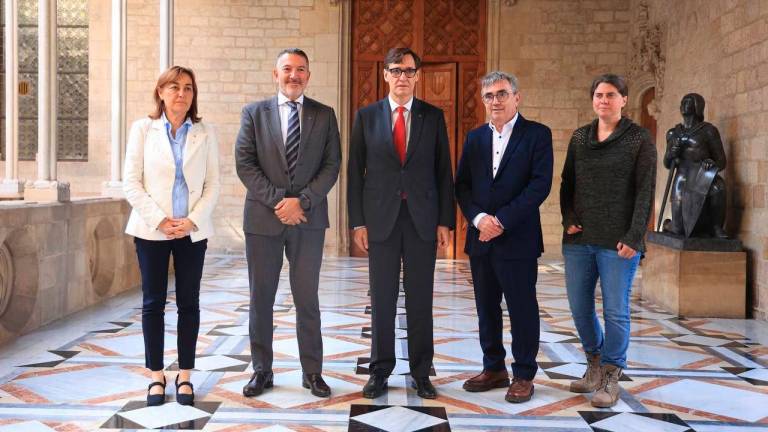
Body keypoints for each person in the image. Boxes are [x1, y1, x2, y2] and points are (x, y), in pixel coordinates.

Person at [347, 47, 455, 399]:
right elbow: (354, 174)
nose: (403, 77)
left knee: (421, 299)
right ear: (385, 75)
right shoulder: (366, 117)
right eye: (396, 70)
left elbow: (443, 172)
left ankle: (422, 372)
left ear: (418, 76)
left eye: (409, 71)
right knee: (382, 298)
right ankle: (379, 370)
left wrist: (445, 221)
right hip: (380, 221)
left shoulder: (433, 116)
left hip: (422, 221)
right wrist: (357, 222)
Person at [235, 48, 341, 398]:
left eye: (300, 69)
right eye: (287, 69)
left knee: (307, 298)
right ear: (274, 73)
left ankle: (312, 372)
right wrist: (280, 201)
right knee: (260, 297)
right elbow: (245, 163)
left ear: (308, 75)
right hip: (263, 219)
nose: (293, 75)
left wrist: (303, 201)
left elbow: (331, 165)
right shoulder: (254, 113)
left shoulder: (325, 116)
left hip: (308, 220)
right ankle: (261, 371)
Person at [123, 66, 220, 406]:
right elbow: (131, 182)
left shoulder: (205, 132)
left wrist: (191, 221)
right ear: (161, 91)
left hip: (191, 232)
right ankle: (155, 376)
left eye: (188, 88)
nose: (182, 93)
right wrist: (160, 220)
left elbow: (213, 185)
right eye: (175, 87)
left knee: (188, 303)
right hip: (152, 230)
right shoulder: (142, 129)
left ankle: (185, 376)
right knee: (153, 304)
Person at [455, 71, 553, 403]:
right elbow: (462, 186)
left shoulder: (537, 135)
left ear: (516, 97)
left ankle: (524, 373)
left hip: (518, 239)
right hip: (481, 239)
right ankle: (494, 367)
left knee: (522, 308)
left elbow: (540, 185)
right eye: (489, 96)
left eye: (501, 94)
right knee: (487, 307)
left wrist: (502, 220)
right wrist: (481, 219)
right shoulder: (475, 138)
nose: (495, 101)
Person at [559, 74, 657, 408]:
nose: (604, 100)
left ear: (624, 100)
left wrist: (635, 236)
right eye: (599, 95)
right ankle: (594, 364)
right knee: (579, 307)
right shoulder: (580, 137)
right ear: (592, 99)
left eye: (611, 95)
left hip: (619, 242)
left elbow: (646, 190)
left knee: (616, 311)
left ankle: (612, 375)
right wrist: (568, 217)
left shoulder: (638, 139)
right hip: (580, 239)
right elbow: (567, 182)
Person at [662, 93, 727, 238]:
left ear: (698, 106)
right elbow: (667, 163)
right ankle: (668, 224)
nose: (684, 104)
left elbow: (722, 161)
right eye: (683, 102)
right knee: (679, 231)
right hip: (682, 178)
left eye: (688, 102)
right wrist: (672, 152)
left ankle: (716, 227)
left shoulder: (708, 131)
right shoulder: (673, 133)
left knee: (719, 186)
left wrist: (712, 163)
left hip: (701, 176)